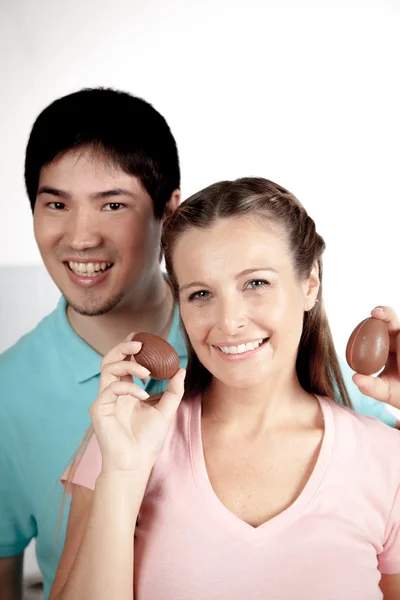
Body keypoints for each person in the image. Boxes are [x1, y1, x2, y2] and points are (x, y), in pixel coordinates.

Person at [0, 90, 397, 600]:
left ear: (310, 283)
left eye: (256, 283)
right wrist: (119, 473)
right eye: (202, 294)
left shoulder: (371, 436)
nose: (229, 321)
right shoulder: (109, 427)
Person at [0, 88, 186, 600]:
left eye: (112, 204)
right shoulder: (7, 393)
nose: (80, 238)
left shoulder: (242, 343)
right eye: (56, 203)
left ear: (169, 213)